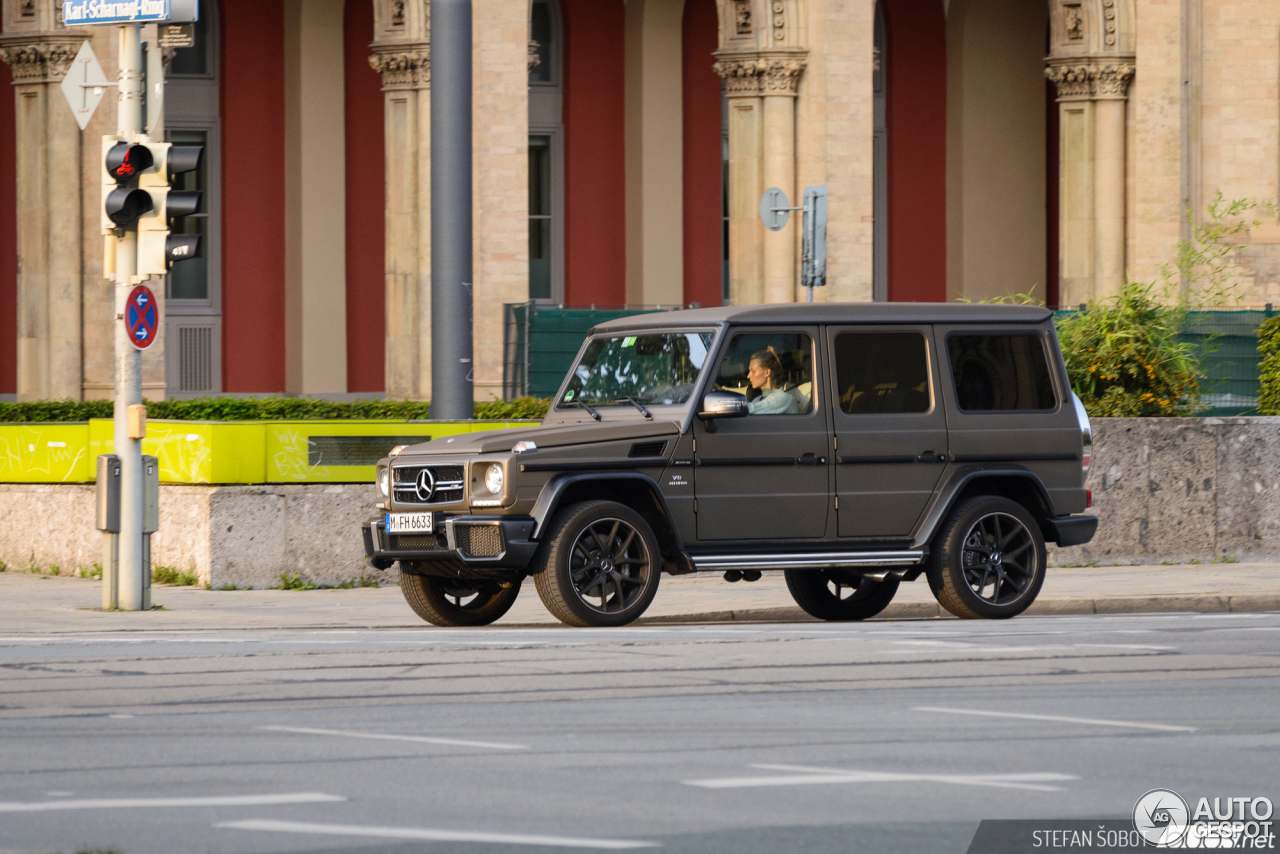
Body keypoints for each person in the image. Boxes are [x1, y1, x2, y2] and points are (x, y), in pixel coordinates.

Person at [746, 347, 799, 414]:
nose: (748, 376)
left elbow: (749, 409)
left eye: (753, 371)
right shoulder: (757, 399)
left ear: (767, 372)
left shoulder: (784, 398)